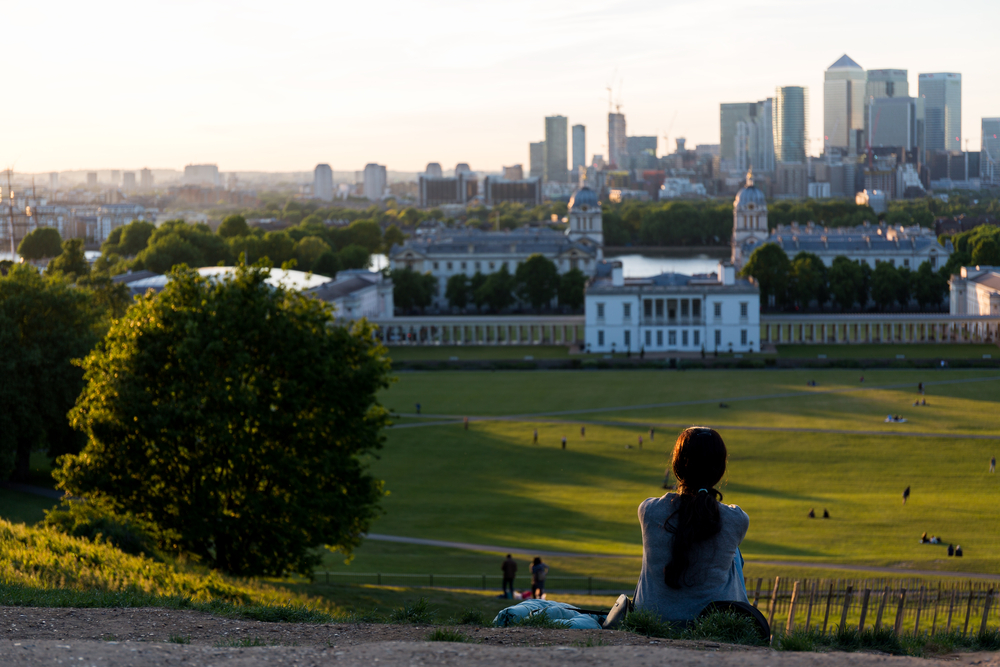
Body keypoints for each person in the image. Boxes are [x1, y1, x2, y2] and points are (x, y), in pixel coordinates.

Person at [634, 427, 749, 624]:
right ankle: (739, 615)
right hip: (711, 624)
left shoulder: (648, 511)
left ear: (678, 466)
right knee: (734, 553)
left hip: (653, 621)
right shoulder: (737, 518)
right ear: (720, 470)